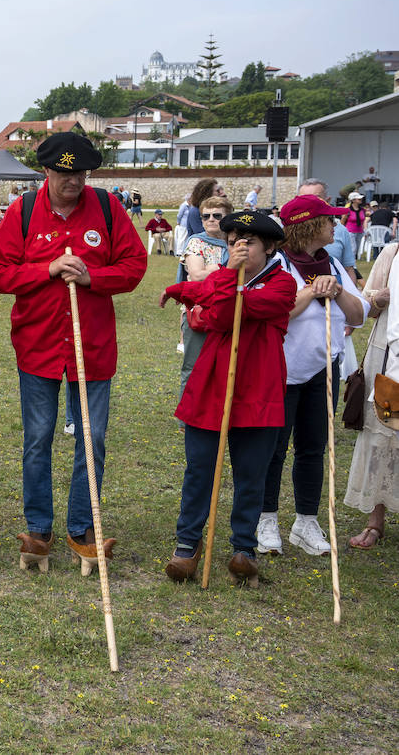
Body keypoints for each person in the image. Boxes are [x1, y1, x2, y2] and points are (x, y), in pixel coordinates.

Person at [0, 132, 148, 572]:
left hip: (91, 347)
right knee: (38, 440)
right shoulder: (21, 212)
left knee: (92, 439)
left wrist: (94, 278)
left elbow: (134, 267)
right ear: (47, 172)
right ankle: (39, 527)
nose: (72, 181)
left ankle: (83, 527)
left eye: (79, 173)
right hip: (37, 346)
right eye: (63, 173)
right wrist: (47, 269)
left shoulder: (110, 210)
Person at [160, 209, 294, 586]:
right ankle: (188, 546)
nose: (240, 248)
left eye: (249, 243)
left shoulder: (283, 285)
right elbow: (217, 313)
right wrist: (185, 290)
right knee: (199, 469)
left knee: (251, 474)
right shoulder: (224, 277)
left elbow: (223, 310)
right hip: (212, 387)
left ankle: (243, 550)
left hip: (259, 391)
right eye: (235, 242)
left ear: (268, 248)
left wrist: (216, 288)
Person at [256, 195, 367, 556]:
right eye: (328, 220)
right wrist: (308, 292)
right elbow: (272, 314)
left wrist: (335, 290)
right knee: (273, 450)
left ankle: (306, 522)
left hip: (323, 371)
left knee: (313, 448)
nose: (336, 225)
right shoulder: (275, 264)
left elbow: (358, 315)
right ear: (307, 225)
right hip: (281, 371)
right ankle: (266, 519)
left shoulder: (331, 263)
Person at [346, 242, 397, 548]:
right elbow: (368, 309)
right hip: (390, 359)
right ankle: (375, 522)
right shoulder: (392, 254)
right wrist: (379, 298)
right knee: (382, 436)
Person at [178, 196, 231, 395]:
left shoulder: (234, 243)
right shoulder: (196, 242)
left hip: (227, 310)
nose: (210, 219)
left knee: (224, 367)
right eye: (205, 216)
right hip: (200, 312)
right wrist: (224, 268)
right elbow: (197, 275)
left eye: (217, 215)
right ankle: (187, 419)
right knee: (194, 366)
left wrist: (212, 270)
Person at [342, 191, 367, 258]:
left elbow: (364, 220)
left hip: (360, 231)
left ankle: (353, 262)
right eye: (358, 199)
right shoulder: (348, 210)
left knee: (357, 248)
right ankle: (352, 265)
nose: (360, 200)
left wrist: (365, 230)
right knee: (353, 248)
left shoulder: (362, 210)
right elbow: (343, 221)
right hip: (350, 231)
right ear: (353, 200)